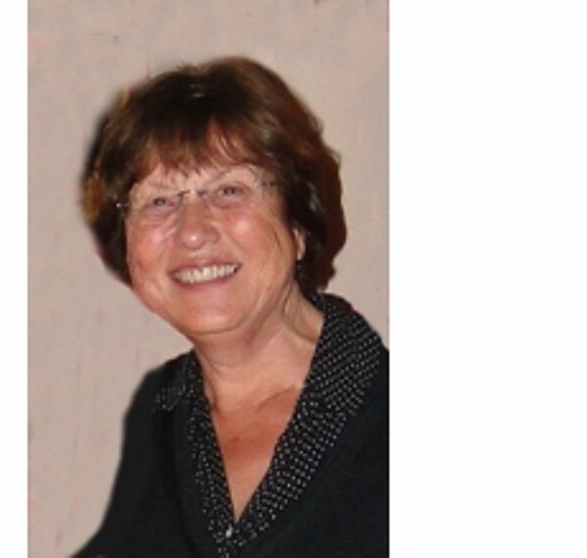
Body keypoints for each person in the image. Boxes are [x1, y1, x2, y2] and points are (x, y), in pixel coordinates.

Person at [75, 57, 387, 558]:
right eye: (159, 201)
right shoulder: (158, 416)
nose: (193, 231)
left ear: (297, 224)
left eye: (229, 191)